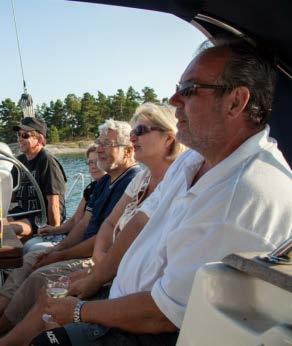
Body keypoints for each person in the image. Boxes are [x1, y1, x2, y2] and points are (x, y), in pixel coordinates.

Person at [23, 37, 291, 346]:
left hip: (152, 331)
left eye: (189, 90)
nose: (174, 99)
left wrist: (81, 312)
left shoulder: (243, 196)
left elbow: (164, 314)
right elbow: (139, 222)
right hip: (122, 298)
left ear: (235, 102)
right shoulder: (195, 158)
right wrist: (95, 278)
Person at [0, 103, 185, 345]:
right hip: (107, 267)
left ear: (169, 138)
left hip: (122, 278)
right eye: (132, 132)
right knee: (42, 278)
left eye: (140, 131)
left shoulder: (172, 183)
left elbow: (130, 237)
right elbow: (107, 225)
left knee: (47, 284)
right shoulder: (142, 178)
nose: (133, 137)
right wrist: (94, 263)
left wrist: (94, 270)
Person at [0, 119, 141, 342]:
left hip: (96, 260)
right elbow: (82, 225)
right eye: (98, 142)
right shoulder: (104, 182)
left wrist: (58, 253)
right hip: (80, 251)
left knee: (40, 276)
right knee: (31, 259)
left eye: (107, 145)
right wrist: (57, 249)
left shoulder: (131, 182)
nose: (99, 149)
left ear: (128, 150)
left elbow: (103, 238)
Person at [23, 145, 105, 253]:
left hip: (87, 244)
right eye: (90, 162)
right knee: (29, 245)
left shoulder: (108, 189)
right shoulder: (90, 189)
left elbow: (86, 226)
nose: (93, 167)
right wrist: (53, 229)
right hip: (73, 237)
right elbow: (75, 219)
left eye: (97, 161)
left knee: (34, 248)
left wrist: (61, 248)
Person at [7, 117, 67, 240]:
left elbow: (53, 202)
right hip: (23, 211)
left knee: (4, 229)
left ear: (39, 139)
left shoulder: (47, 160)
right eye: (18, 135)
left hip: (41, 216)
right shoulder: (19, 161)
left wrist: (54, 232)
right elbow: (10, 195)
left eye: (25, 135)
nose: (19, 139)